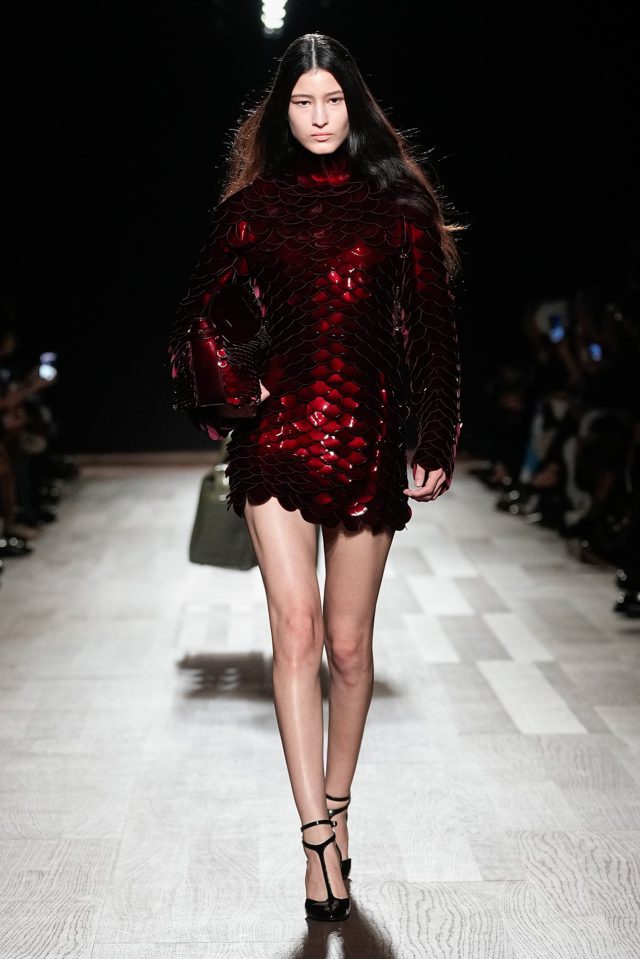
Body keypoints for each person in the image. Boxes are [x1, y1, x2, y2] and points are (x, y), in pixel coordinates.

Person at [168, 33, 463, 922]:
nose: (320, 115)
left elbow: (432, 330)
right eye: (303, 103)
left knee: (348, 646)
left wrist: (433, 433)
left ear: (355, 106)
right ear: (283, 114)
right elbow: (194, 325)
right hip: (275, 444)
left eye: (333, 100)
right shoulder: (252, 211)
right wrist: (239, 384)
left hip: (368, 440)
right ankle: (314, 841)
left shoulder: (399, 207)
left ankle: (339, 805)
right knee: (294, 633)